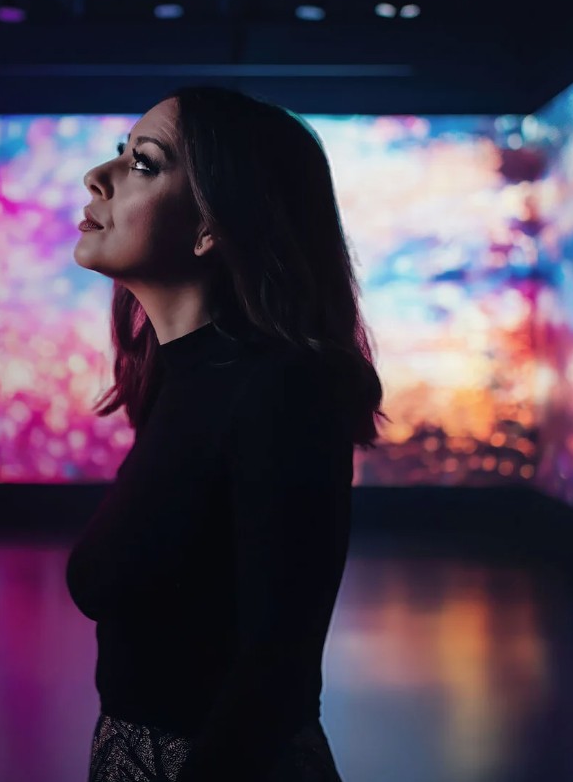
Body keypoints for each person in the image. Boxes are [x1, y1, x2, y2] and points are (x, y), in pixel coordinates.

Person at [66, 87, 386, 781]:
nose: (100, 175)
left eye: (143, 163)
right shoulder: (178, 380)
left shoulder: (280, 389)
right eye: (121, 153)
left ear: (212, 227)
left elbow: (277, 669)